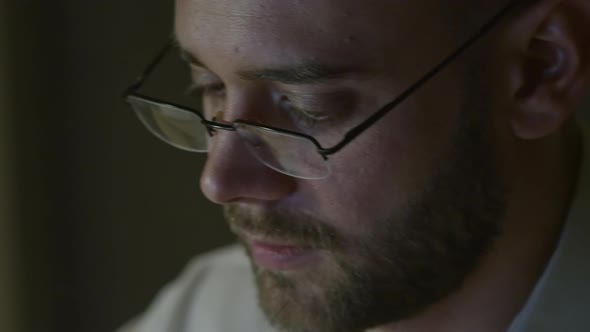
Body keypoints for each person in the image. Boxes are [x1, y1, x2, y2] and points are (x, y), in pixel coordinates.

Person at [119, 0, 590, 331]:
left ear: (539, 69)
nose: (218, 181)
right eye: (210, 86)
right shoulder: (209, 314)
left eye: (310, 107)